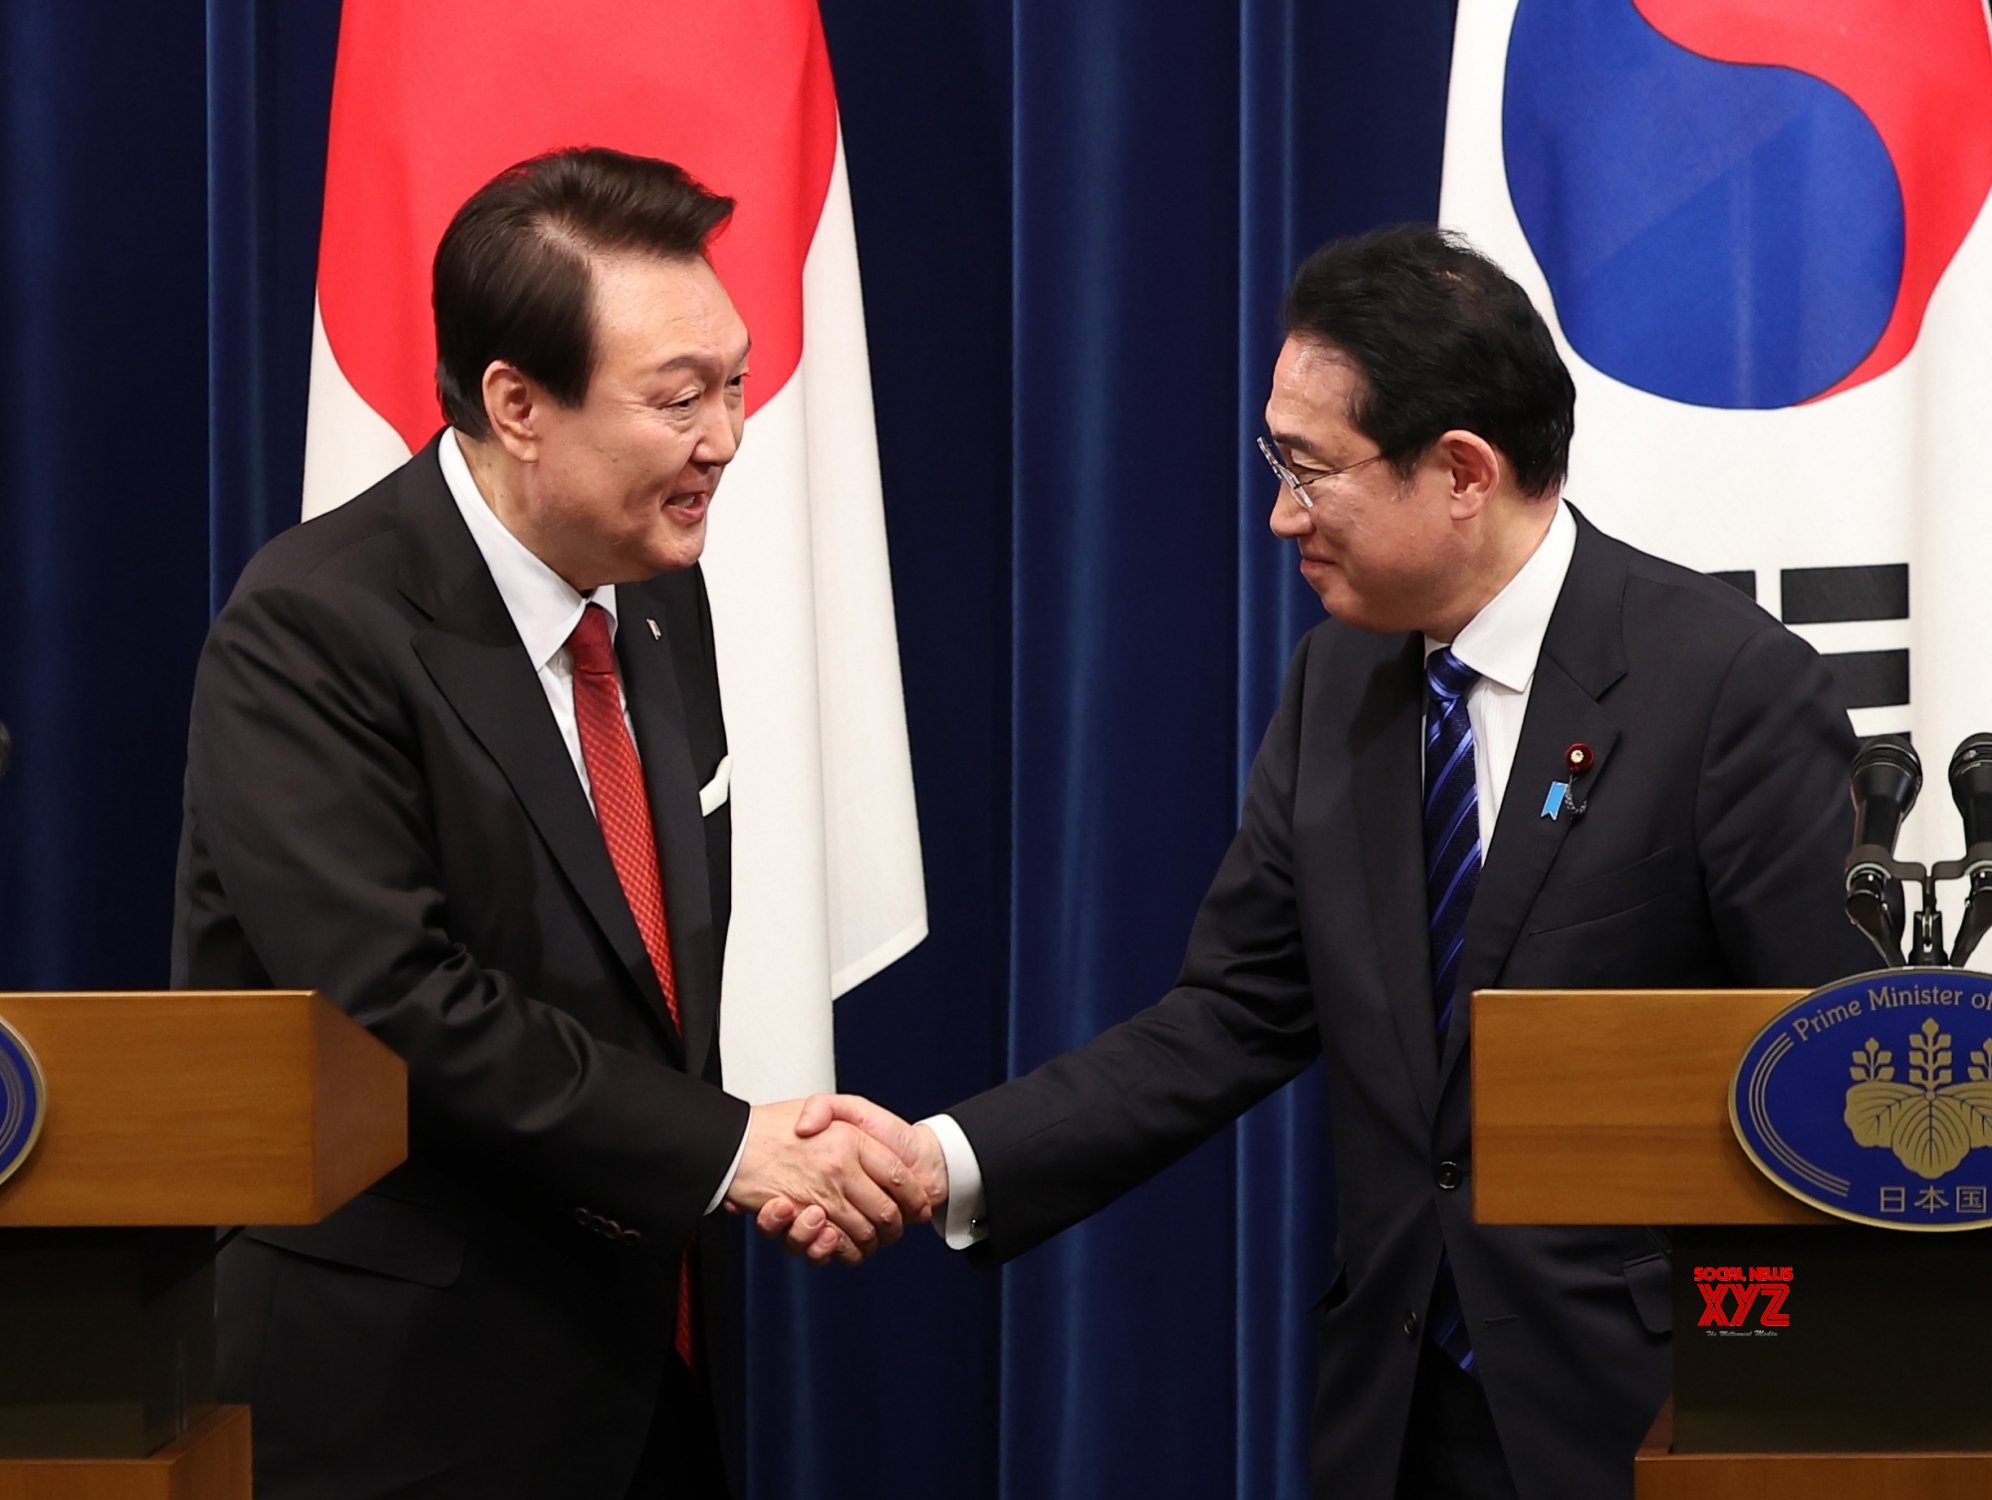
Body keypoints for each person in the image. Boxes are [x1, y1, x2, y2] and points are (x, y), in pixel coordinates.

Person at [769, 225, 1878, 1498]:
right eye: (1274, 460)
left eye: (1312, 470)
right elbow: (1236, 1011)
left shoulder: (1723, 687)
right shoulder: (1339, 679)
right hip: (1399, 1413)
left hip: (1649, 1409)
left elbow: (1824, 1074)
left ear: (1461, 470)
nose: (1282, 512)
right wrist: (943, 1159)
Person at [172, 147, 937, 1500]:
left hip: (634, 1379)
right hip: (388, 1405)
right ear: (518, 403)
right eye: (679, 397)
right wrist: (729, 1148)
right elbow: (395, 1003)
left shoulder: (651, 594)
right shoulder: (315, 626)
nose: (726, 438)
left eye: (738, 382)